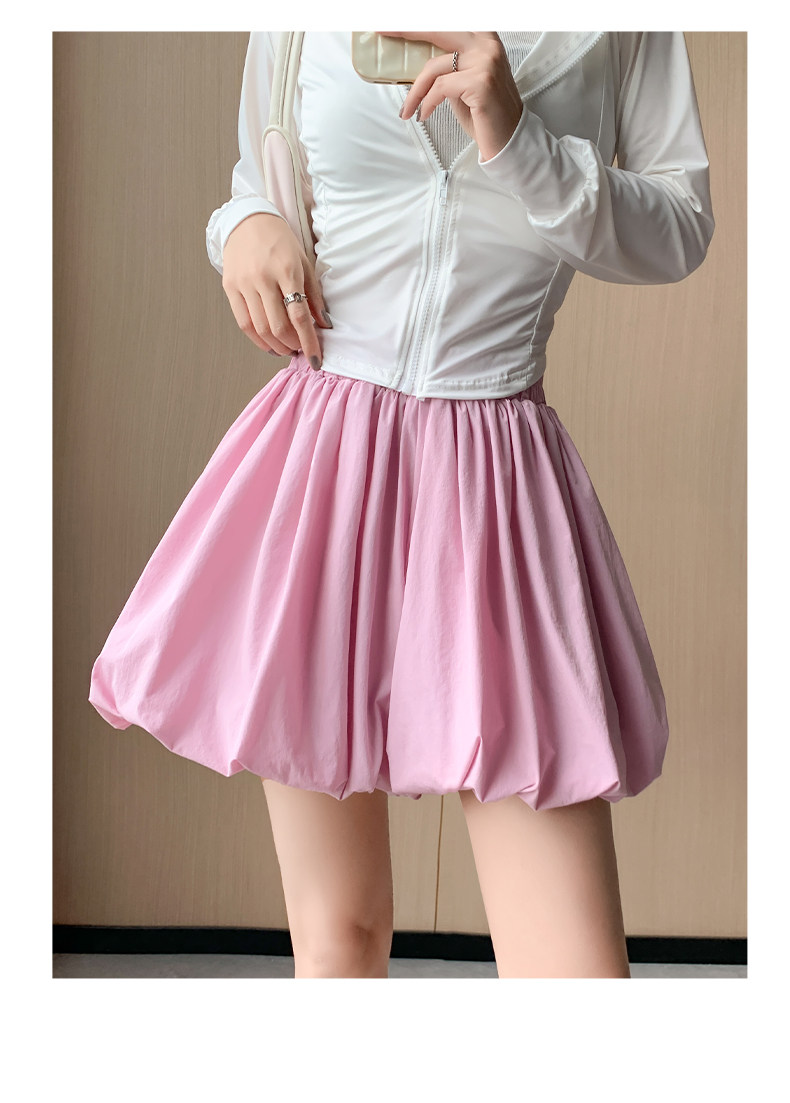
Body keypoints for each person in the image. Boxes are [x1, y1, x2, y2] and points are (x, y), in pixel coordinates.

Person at [88, 31, 715, 978]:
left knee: (572, 975)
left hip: (495, 491)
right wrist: (243, 227)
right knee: (336, 938)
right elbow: (264, 175)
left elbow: (680, 226)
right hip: (321, 470)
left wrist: (521, 141)